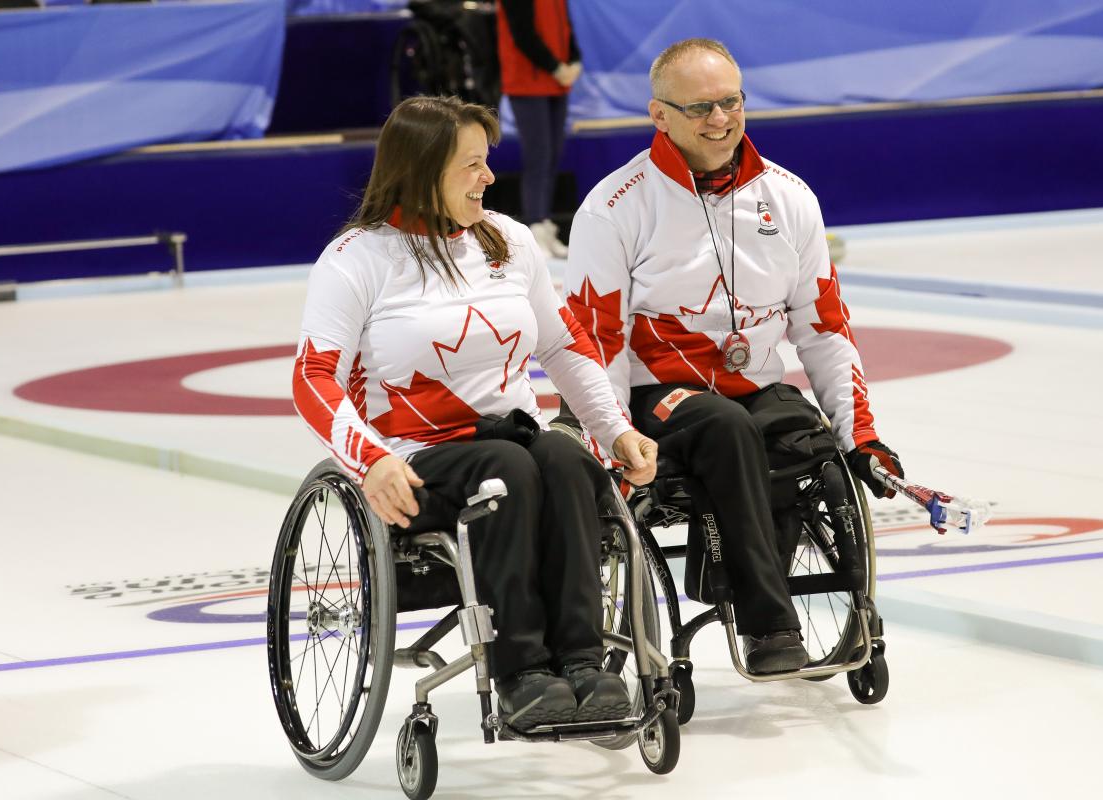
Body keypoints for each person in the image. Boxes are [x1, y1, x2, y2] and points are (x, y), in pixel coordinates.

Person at [291, 95, 659, 729]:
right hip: (415, 454)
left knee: (568, 460)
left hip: (512, 435)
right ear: (421, 168)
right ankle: (522, 671)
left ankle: (583, 661)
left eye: (487, 162)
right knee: (508, 471)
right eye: (471, 165)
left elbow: (564, 346)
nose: (489, 177)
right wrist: (370, 462)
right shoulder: (357, 259)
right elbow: (312, 377)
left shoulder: (510, 242)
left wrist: (616, 430)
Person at [564, 39, 904, 674]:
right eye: (701, 108)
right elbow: (594, 341)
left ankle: (741, 578)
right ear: (658, 115)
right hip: (652, 395)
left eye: (731, 102)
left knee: (803, 435)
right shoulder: (615, 206)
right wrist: (606, 438)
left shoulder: (789, 197)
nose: (720, 119)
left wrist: (862, 435)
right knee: (726, 428)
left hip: (751, 385)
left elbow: (824, 326)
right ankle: (769, 627)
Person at [496, 0, 581, 259]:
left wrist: (575, 59)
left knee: (552, 157)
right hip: (528, 84)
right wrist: (555, 67)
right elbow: (522, 34)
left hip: (557, 84)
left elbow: (566, 28)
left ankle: (545, 223)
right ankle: (534, 227)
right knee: (538, 157)